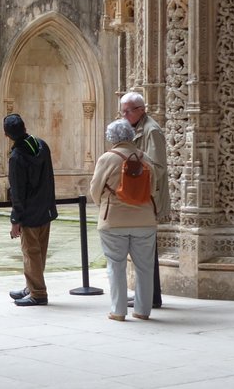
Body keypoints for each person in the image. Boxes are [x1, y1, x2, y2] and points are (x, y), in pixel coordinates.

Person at [90, 119, 158, 321]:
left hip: (114, 221)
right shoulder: (146, 158)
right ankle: (143, 311)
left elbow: (95, 190)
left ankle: (118, 311)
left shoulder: (107, 159)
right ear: (131, 136)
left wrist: (103, 204)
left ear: (112, 138)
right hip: (145, 220)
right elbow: (152, 189)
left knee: (116, 266)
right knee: (145, 267)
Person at [120, 91, 170, 309]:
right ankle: (148, 294)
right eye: (122, 111)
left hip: (149, 196)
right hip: (142, 195)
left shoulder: (151, 131)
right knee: (145, 249)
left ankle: (150, 296)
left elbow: (158, 167)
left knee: (147, 249)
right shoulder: (137, 129)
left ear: (141, 110)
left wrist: (136, 159)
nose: (123, 115)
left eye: (127, 111)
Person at [4, 114, 58, 306]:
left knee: (31, 253)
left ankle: (38, 293)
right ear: (24, 127)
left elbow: (17, 192)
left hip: (29, 213)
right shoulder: (42, 145)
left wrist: (15, 220)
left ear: (7, 135)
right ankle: (32, 285)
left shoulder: (16, 157)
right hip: (45, 209)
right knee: (39, 252)